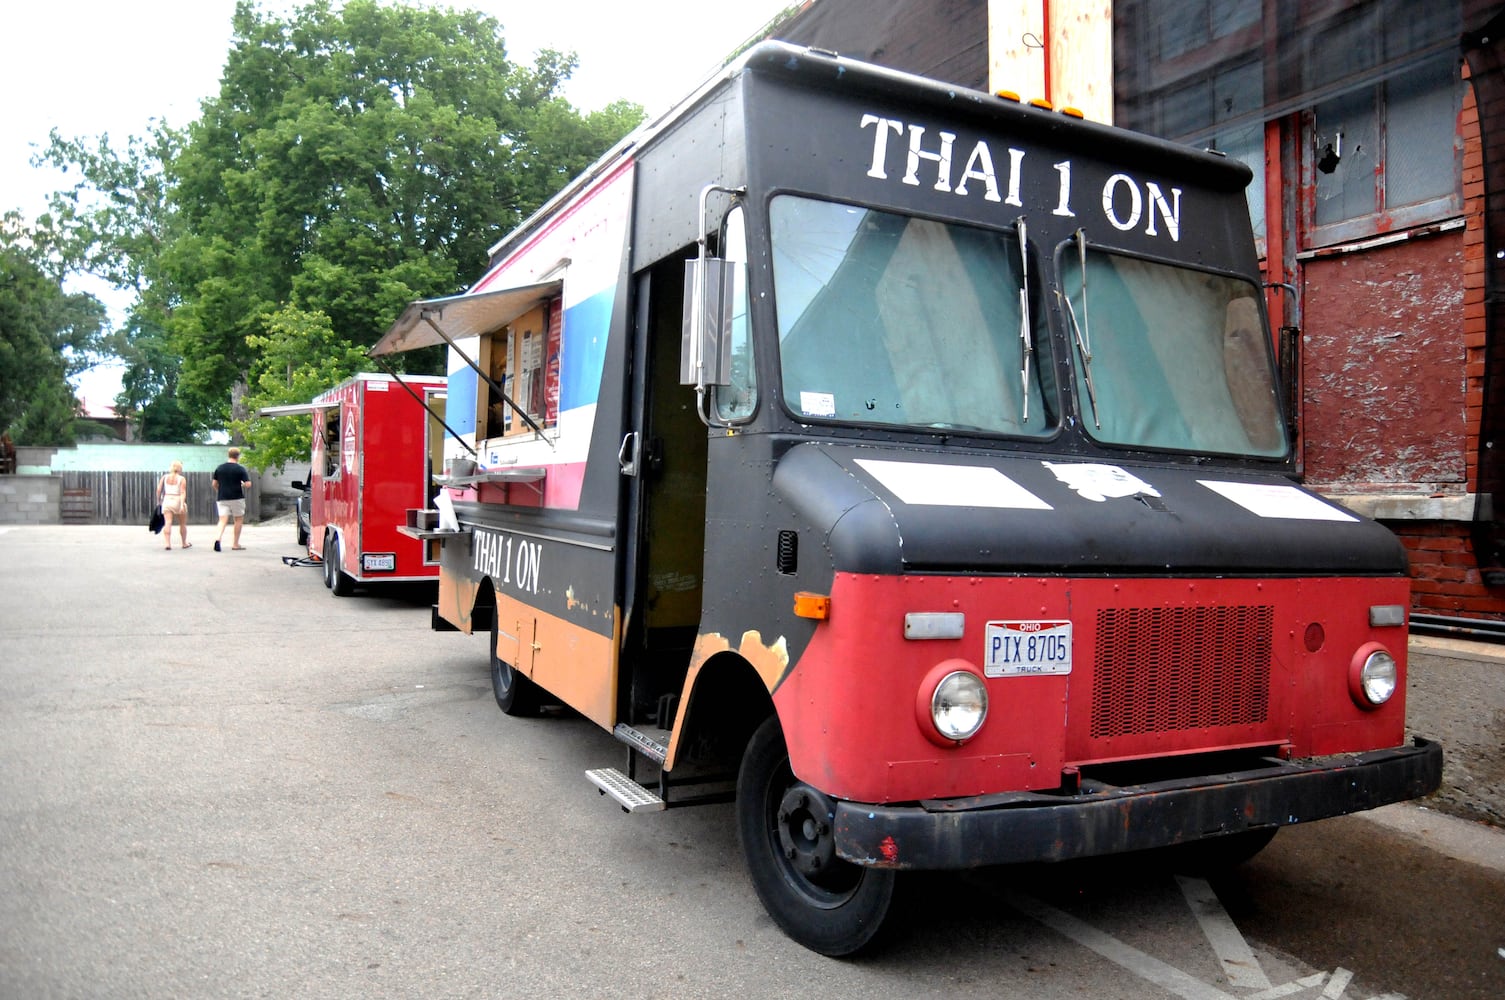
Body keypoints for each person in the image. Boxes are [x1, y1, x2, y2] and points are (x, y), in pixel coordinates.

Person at [212, 446, 253, 552]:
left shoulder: (219, 468)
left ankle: (218, 539)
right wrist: (242, 484)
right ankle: (235, 544)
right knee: (238, 520)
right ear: (238, 456)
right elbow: (248, 484)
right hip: (237, 497)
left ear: (228, 455)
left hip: (222, 497)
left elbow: (214, 484)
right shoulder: (240, 469)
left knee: (222, 520)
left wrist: (219, 490)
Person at [156, 460, 191, 550]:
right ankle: (184, 543)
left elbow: (159, 489)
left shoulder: (164, 477)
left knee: (168, 522)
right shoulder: (181, 479)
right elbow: (183, 492)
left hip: (167, 499)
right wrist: (182, 504)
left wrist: (159, 500)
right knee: (182, 523)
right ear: (180, 468)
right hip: (177, 499)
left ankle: (168, 544)